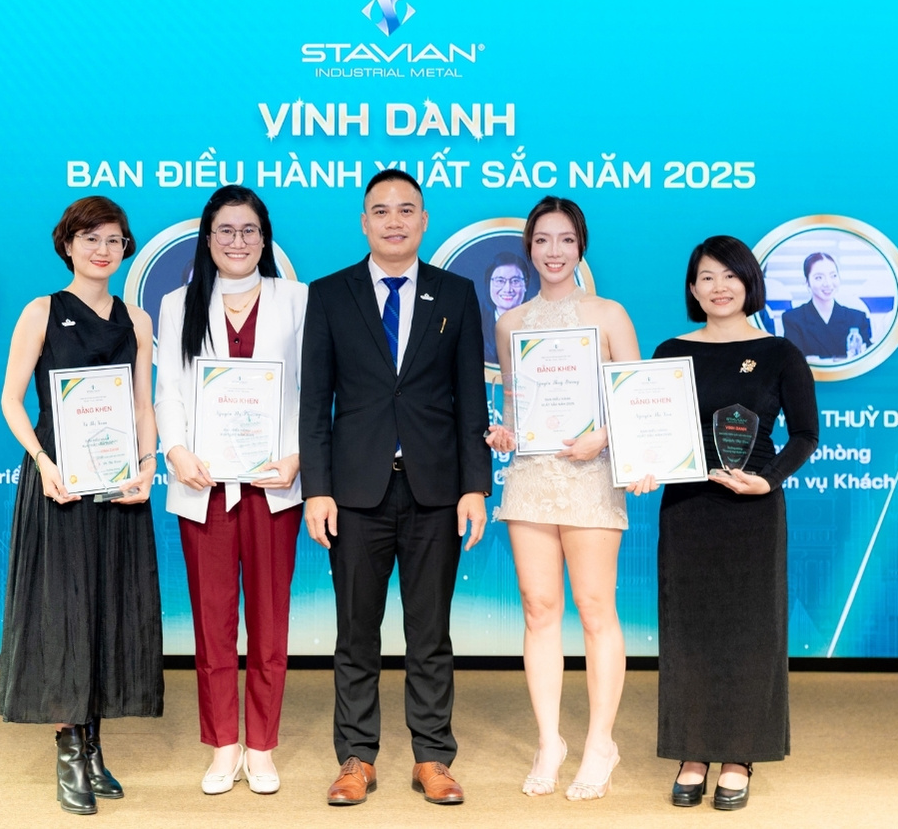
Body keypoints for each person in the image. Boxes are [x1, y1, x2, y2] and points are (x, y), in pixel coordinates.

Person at [300, 169, 492, 807]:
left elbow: (470, 399)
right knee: (356, 633)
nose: (393, 221)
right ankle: (356, 758)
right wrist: (317, 489)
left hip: (436, 491)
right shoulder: (330, 294)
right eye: (380, 210)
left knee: (430, 633)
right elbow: (315, 401)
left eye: (406, 209)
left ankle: (432, 757)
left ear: (424, 220)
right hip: (355, 494)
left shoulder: (456, 293)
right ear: (364, 222)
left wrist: (475, 486)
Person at [628, 235, 817, 812]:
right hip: (687, 509)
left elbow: (805, 434)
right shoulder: (670, 351)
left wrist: (769, 479)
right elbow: (649, 426)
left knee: (750, 633)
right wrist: (642, 465)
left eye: (730, 276)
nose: (719, 287)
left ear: (749, 283)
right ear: (692, 288)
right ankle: (693, 752)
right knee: (689, 632)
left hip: (752, 510)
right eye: (706, 277)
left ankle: (739, 756)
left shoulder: (780, 352)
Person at [0, 196, 164, 816]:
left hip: (118, 484)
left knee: (110, 607)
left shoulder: (137, 319)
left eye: (114, 239)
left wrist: (148, 466)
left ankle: (94, 745)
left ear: (126, 249)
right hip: (59, 485)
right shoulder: (42, 311)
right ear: (67, 245)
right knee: (63, 612)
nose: (102, 249)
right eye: (90, 238)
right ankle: (68, 748)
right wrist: (43, 463)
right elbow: (12, 400)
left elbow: (143, 405)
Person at [484, 197, 639, 801]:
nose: (554, 251)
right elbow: (517, 407)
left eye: (566, 240)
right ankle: (550, 741)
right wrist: (506, 434)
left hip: (590, 472)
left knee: (596, 608)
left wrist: (603, 436)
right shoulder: (511, 323)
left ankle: (601, 742)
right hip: (530, 476)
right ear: (529, 247)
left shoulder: (609, 314)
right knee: (539, 607)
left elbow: (633, 397)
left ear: (581, 247)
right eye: (543, 240)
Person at [154, 186, 307, 796]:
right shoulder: (177, 304)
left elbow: (313, 386)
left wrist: (299, 456)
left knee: (270, 625)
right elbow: (169, 391)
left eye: (248, 230)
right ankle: (223, 745)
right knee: (212, 625)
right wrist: (176, 451)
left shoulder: (296, 299)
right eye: (225, 230)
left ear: (264, 239)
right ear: (208, 238)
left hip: (273, 485)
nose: (237, 241)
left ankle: (261, 746)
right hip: (205, 487)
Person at [779, 251, 872, 360]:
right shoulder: (793, 319)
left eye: (833, 276)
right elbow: (793, 362)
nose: (828, 283)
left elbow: (867, 359)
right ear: (807, 282)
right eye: (819, 277)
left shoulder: (858, 318)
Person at [481, 251, 529, 366]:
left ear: (525, 285)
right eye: (500, 281)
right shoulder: (476, 324)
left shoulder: (540, 321)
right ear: (489, 284)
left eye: (515, 281)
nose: (507, 289)